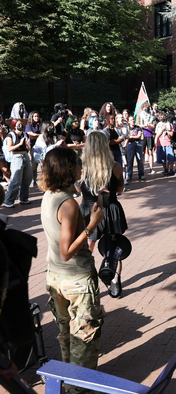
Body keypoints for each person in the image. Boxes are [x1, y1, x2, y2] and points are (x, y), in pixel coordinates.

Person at [39, 148, 105, 392]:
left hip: (56, 277)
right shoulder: (68, 204)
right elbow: (67, 250)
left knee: (66, 333)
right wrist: (92, 226)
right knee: (84, 340)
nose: (81, 166)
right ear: (67, 168)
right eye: (77, 162)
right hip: (76, 279)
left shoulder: (49, 196)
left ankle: (67, 383)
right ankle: (78, 388)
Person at [77, 132, 127, 297]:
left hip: (88, 211)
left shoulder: (82, 168)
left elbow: (78, 189)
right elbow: (119, 189)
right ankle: (114, 280)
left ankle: (86, 283)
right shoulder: (115, 166)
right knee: (112, 248)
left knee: (86, 249)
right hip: (110, 209)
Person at [3, 120, 32, 208]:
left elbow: (29, 148)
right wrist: (20, 144)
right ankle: (8, 201)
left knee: (27, 178)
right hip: (16, 157)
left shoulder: (25, 134)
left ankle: (23, 198)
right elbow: (9, 148)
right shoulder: (10, 135)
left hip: (25, 156)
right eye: (18, 124)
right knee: (16, 180)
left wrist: (27, 145)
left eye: (21, 124)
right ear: (14, 126)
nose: (21, 125)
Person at [125, 116, 145, 183]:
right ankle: (128, 175)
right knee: (130, 160)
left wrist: (131, 137)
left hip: (138, 144)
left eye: (133, 119)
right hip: (130, 144)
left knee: (140, 159)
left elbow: (139, 136)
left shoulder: (138, 127)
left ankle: (141, 174)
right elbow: (126, 136)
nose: (132, 121)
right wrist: (131, 137)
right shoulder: (127, 128)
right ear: (128, 121)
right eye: (131, 120)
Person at [26, 111, 42, 187]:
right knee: (34, 165)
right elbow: (31, 135)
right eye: (35, 116)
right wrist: (40, 135)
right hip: (34, 147)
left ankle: (44, 180)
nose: (37, 118)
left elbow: (45, 133)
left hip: (42, 147)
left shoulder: (40, 125)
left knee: (43, 164)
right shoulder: (28, 126)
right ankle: (33, 180)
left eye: (38, 116)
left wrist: (36, 135)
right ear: (31, 117)